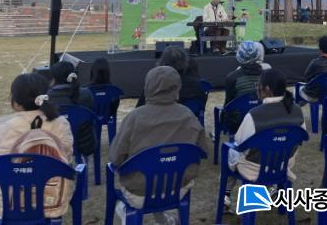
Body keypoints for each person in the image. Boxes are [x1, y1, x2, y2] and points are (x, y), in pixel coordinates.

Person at [109, 66, 207, 225]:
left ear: (147, 86)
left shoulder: (134, 117)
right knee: (160, 167)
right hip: (178, 188)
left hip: (139, 193)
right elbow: (204, 150)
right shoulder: (188, 115)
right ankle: (163, 219)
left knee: (151, 169)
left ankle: (128, 210)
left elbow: (115, 158)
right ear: (177, 87)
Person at [0, 73, 74, 219]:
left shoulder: (2, 130)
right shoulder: (62, 124)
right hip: (53, 201)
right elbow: (67, 158)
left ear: (15, 101)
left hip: (8, 205)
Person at [224, 69, 305, 210]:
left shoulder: (254, 115)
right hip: (283, 165)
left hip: (254, 169)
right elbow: (300, 139)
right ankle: (271, 188)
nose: (257, 88)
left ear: (267, 89)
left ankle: (226, 194)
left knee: (228, 151)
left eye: (259, 85)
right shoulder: (297, 110)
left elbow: (240, 143)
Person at [48, 60, 97, 157]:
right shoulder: (86, 94)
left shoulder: (47, 98)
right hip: (84, 143)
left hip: (55, 144)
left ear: (54, 78)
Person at [223, 41, 272, 134]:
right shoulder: (268, 75)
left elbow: (229, 102)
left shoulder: (232, 77)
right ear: (258, 55)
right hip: (264, 119)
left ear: (239, 57)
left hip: (238, 123)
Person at [136, 46, 207, 108]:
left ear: (163, 62)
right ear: (186, 62)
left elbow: (140, 106)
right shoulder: (199, 85)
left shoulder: (155, 84)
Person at [299, 36, 327, 102]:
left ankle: (296, 107)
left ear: (320, 49)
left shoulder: (315, 63)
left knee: (297, 89)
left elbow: (306, 77)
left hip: (314, 95)